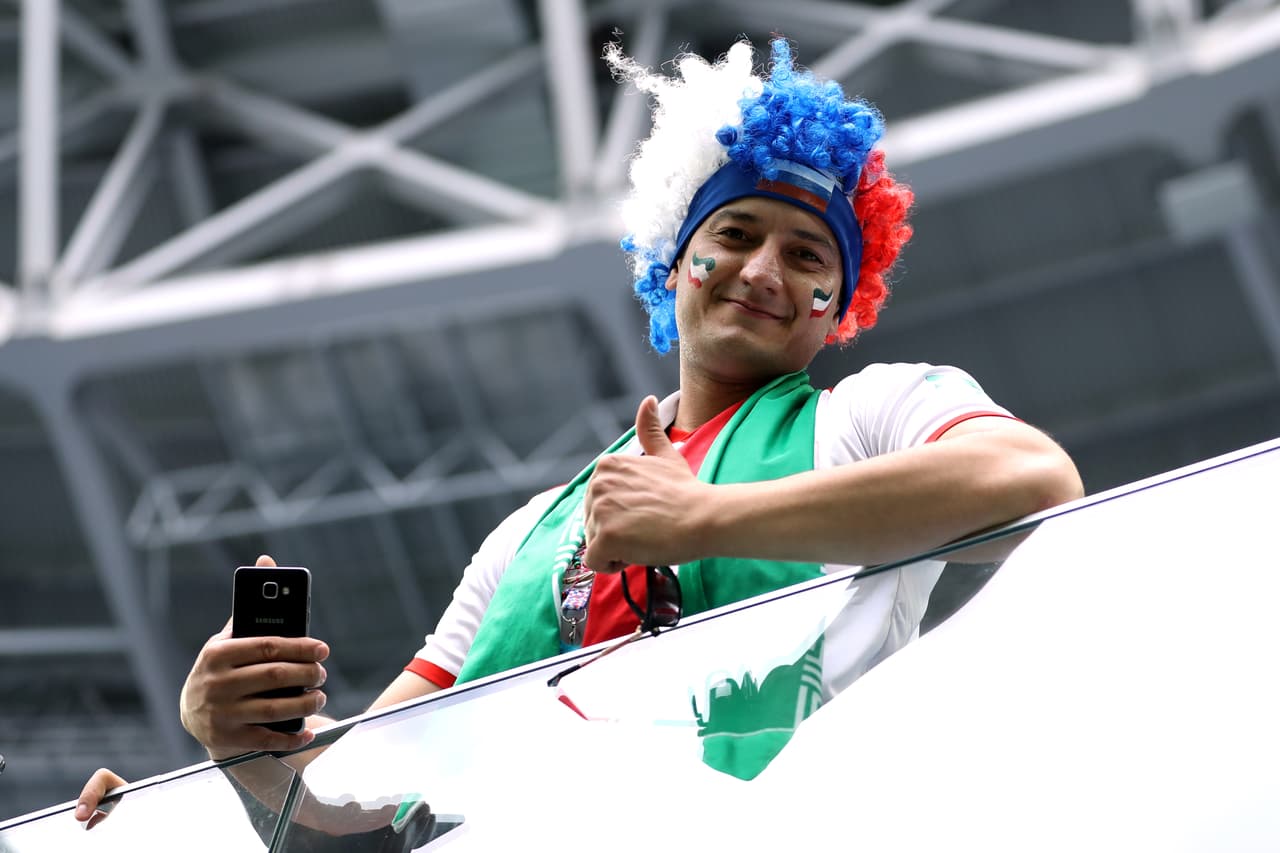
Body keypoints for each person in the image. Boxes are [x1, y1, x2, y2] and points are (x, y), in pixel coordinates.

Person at [77, 37, 1083, 824]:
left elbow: (1029, 477)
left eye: (806, 253)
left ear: (837, 301)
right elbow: (362, 806)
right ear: (670, 261)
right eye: (732, 235)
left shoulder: (872, 412)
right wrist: (234, 751)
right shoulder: (522, 537)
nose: (764, 271)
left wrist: (705, 518)